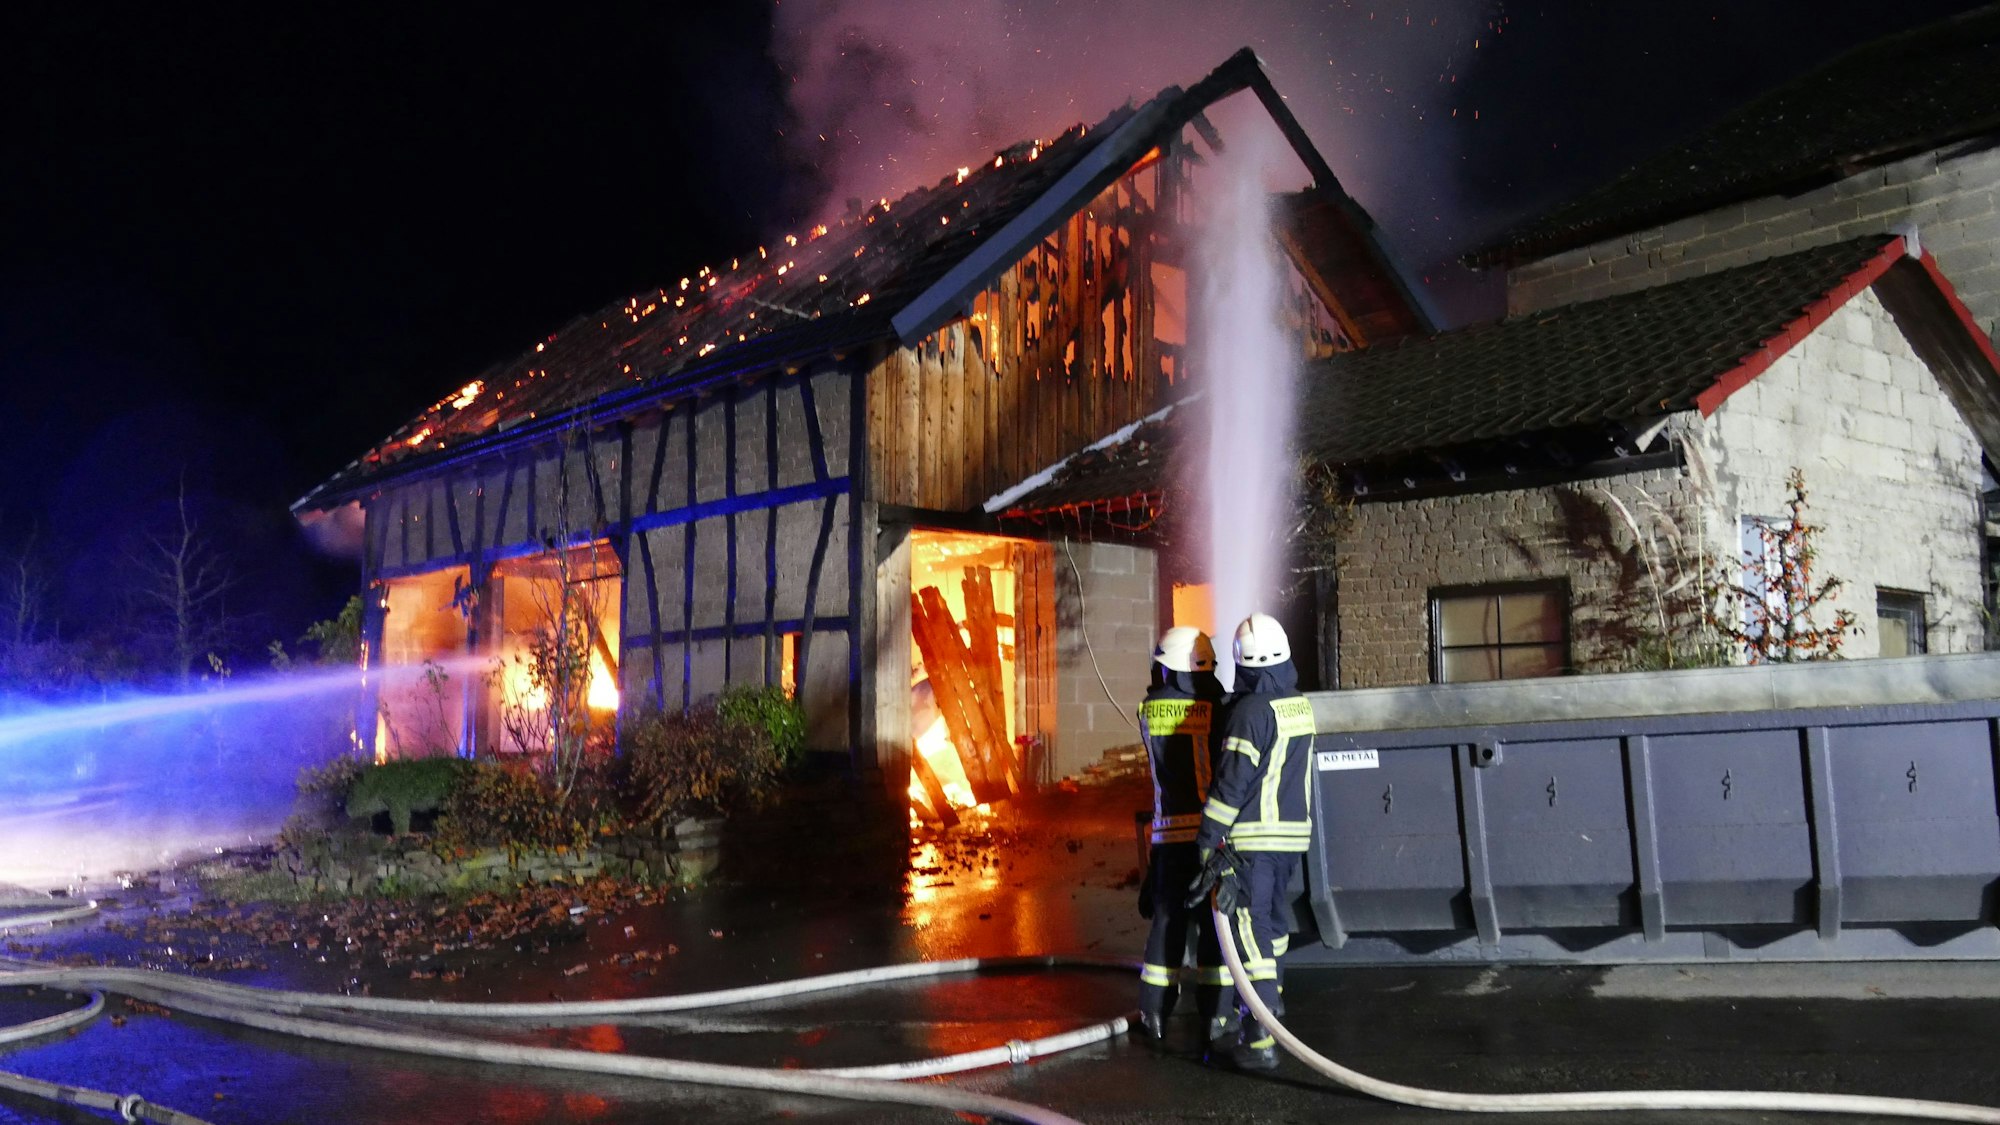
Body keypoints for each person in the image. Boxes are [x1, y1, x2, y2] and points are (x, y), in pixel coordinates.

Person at [1190, 613, 1314, 1071]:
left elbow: (1232, 785)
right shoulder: (1298, 704)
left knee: (1249, 931)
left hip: (1252, 841)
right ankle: (1271, 1009)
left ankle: (1259, 1037)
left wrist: (1207, 840)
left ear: (1242, 663)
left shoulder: (1247, 712)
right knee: (1274, 929)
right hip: (1289, 839)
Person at [1133, 626, 1235, 1045]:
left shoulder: (1148, 709)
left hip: (1165, 839)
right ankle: (1215, 1017)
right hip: (1208, 838)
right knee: (1214, 928)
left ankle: (1153, 1014)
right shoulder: (1218, 708)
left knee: (1166, 925)